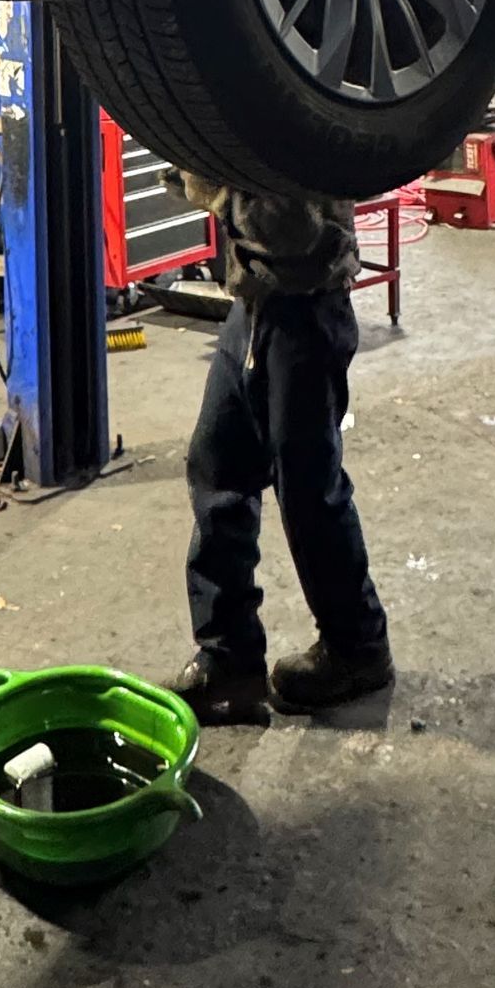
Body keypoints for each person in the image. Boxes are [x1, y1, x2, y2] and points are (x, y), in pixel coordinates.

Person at [167, 181, 392, 726]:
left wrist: (212, 189)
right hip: (253, 305)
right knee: (216, 468)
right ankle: (230, 657)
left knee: (309, 491)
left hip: (306, 308)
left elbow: (288, 231)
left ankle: (359, 650)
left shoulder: (295, 144)